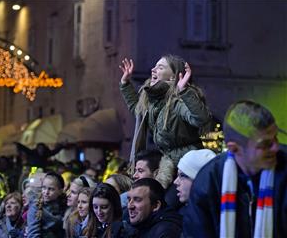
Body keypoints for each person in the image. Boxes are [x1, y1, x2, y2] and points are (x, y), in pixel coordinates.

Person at [183, 100, 287, 237]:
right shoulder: (208, 182)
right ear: (234, 148)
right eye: (266, 144)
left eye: (275, 138)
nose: (275, 147)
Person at [119, 55, 211, 188]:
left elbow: (201, 119)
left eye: (160, 67)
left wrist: (184, 91)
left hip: (188, 169)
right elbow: (138, 111)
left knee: (161, 201)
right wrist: (125, 84)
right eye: (155, 66)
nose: (153, 70)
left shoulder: (178, 101)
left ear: (173, 77)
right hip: (170, 165)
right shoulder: (154, 101)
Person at [114, 178, 182, 238]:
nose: (129, 206)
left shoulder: (166, 231)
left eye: (137, 200)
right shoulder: (128, 223)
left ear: (156, 206)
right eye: (129, 200)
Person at [27, 172, 67, 238]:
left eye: (51, 189)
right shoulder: (36, 206)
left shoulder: (64, 206)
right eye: (44, 187)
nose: (46, 192)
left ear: (60, 191)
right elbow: (33, 234)